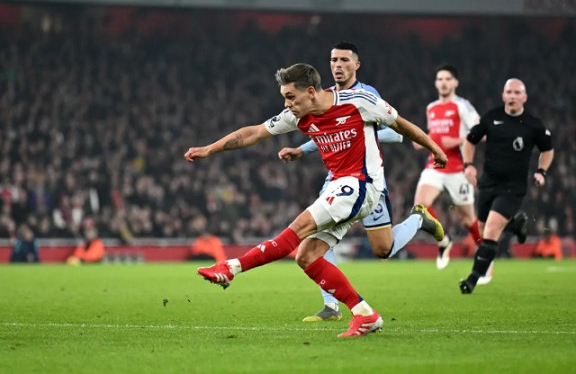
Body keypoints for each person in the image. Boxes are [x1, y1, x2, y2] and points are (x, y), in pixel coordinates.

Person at [185, 63, 447, 337]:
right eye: (284, 97)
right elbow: (254, 133)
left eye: (290, 97)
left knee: (297, 230)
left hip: (362, 184)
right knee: (306, 256)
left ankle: (231, 268)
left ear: (310, 92)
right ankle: (365, 314)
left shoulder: (359, 101)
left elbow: (401, 125)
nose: (287, 104)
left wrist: (435, 150)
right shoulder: (297, 115)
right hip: (341, 186)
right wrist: (209, 149)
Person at [277, 42, 442, 322]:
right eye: (333, 60)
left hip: (367, 179)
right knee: (317, 236)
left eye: (344, 60)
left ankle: (418, 219)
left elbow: (394, 133)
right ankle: (331, 305)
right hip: (336, 179)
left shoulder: (366, 95)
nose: (337, 65)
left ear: (356, 65)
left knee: (383, 249)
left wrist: (366, 134)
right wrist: (302, 150)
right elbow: (325, 132)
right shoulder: (323, 97)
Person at [459, 78, 554, 294]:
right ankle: (515, 225)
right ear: (503, 95)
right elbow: (470, 140)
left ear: (524, 97)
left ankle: (472, 279)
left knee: (491, 230)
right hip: (488, 183)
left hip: (513, 187)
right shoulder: (491, 117)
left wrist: (541, 171)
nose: (512, 96)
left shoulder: (533, 124)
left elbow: (548, 149)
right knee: (483, 230)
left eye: (516, 93)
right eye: (508, 92)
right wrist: (468, 165)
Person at [412, 64, 481, 270]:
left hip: (458, 167)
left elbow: (480, 132)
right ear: (436, 83)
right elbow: (434, 135)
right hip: (434, 165)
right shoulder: (431, 108)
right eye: (440, 79)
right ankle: (444, 241)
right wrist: (422, 140)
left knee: (468, 219)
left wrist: (457, 140)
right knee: (420, 206)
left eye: (447, 79)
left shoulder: (462, 106)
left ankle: (485, 252)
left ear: (455, 83)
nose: (443, 83)